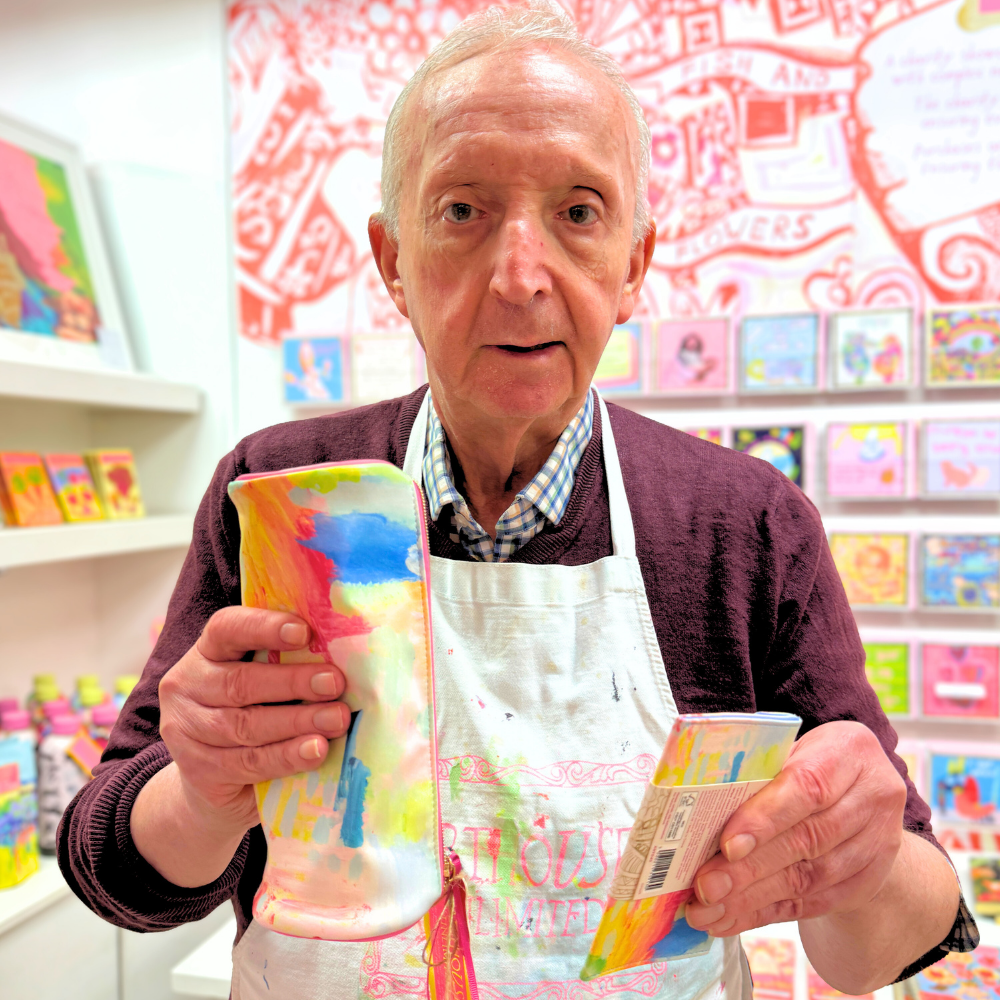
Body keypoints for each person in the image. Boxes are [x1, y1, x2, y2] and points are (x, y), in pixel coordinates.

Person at [59, 4, 975, 999]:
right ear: (392, 261)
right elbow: (118, 876)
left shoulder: (744, 525)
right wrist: (201, 791)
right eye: (462, 211)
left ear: (632, 265)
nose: (519, 277)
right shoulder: (283, 498)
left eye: (579, 213)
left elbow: (879, 950)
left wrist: (862, 860)